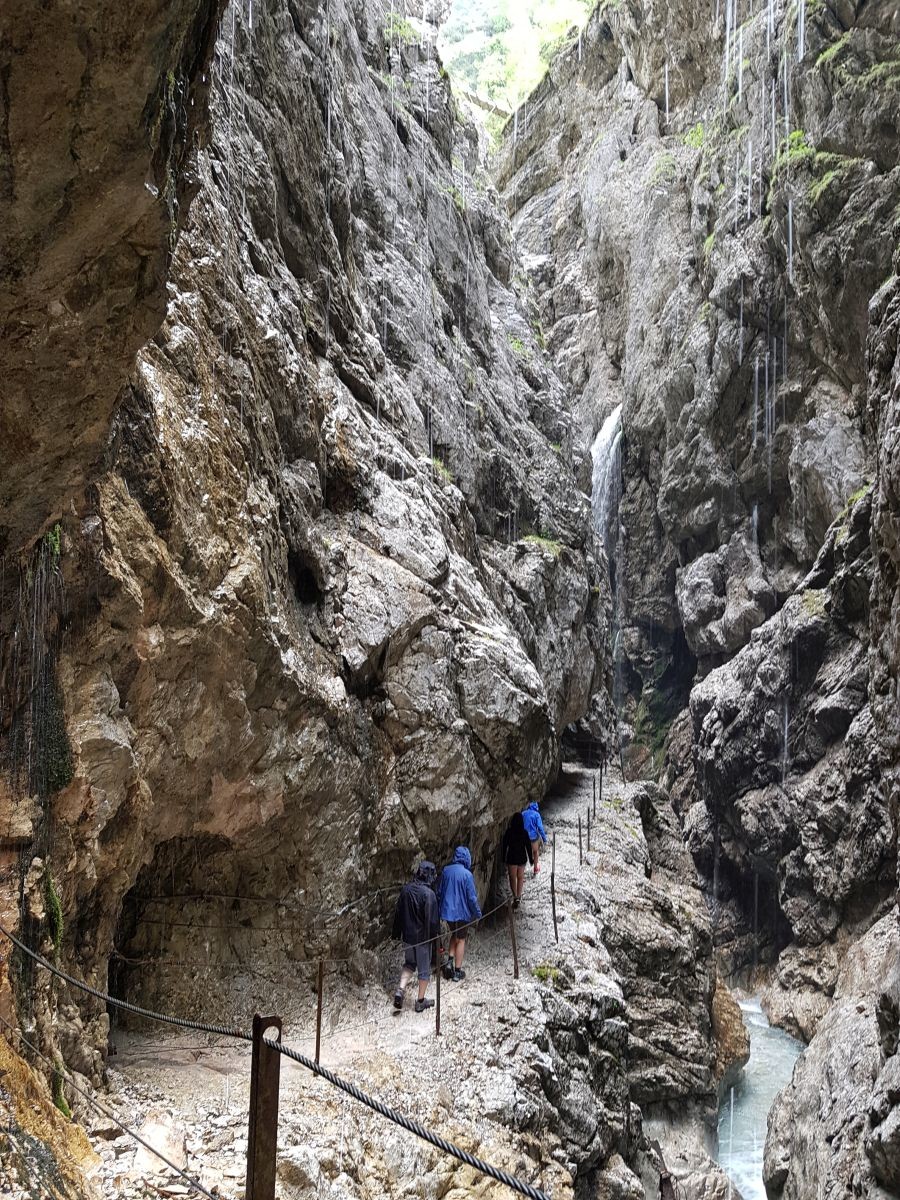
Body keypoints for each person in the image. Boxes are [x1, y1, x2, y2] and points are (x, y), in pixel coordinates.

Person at [391, 861, 439, 1013]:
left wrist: (396, 933)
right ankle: (420, 1001)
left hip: (408, 936)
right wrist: (435, 938)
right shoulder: (429, 894)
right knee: (424, 970)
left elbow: (398, 913)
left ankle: (400, 990)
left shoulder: (406, 890)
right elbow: (432, 920)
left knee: (409, 964)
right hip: (423, 939)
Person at [437, 847, 482, 981]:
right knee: (461, 939)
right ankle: (457, 971)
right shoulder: (467, 875)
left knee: (455, 934)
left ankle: (449, 962)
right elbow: (471, 898)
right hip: (462, 913)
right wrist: (477, 913)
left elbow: (439, 891)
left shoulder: (446, 871)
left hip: (447, 913)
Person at [501, 811, 532, 909]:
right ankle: (519, 895)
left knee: (512, 877)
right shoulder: (524, 833)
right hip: (522, 858)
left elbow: (504, 845)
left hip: (512, 858)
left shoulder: (509, 832)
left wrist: (503, 857)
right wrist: (531, 859)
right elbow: (528, 846)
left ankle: (515, 896)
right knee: (520, 877)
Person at [522, 801, 547, 874]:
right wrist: (544, 839)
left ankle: (522, 871)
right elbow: (540, 827)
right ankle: (535, 868)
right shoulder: (536, 814)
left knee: (523, 853)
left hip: (524, 836)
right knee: (535, 851)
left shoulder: (523, 813)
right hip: (533, 837)